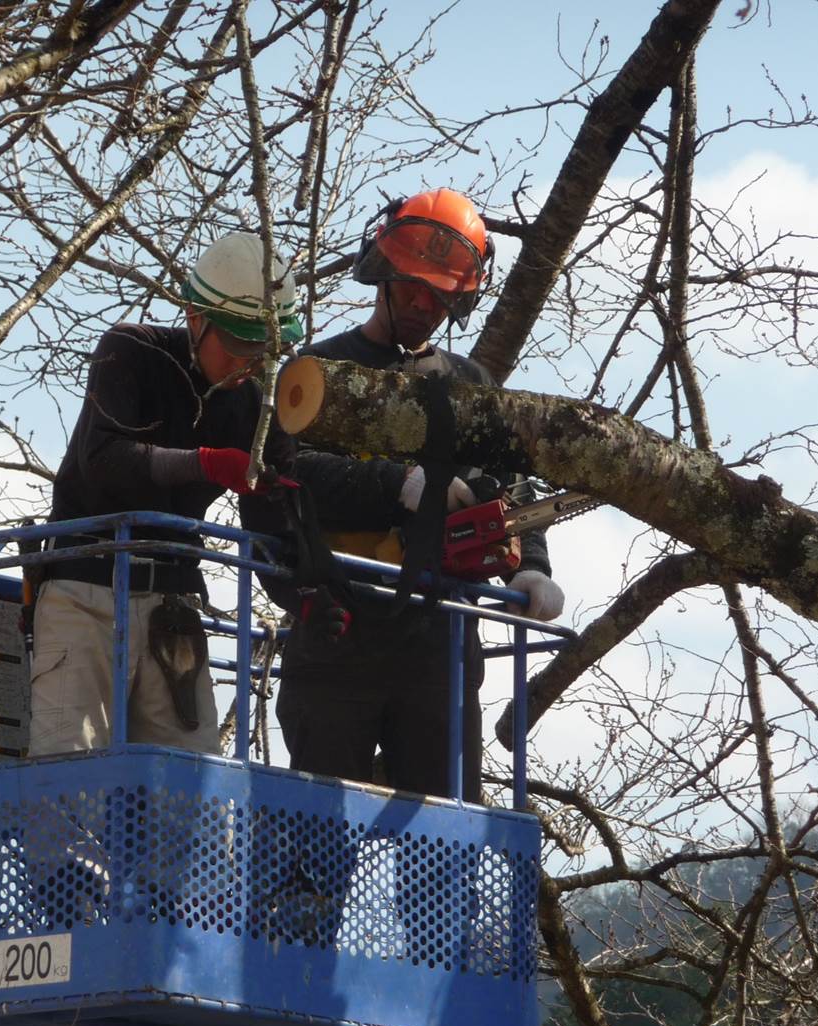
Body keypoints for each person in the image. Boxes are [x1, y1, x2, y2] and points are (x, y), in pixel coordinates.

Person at [273, 189, 565, 803]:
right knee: (312, 848)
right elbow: (289, 480)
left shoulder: (469, 385)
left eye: (439, 296)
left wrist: (531, 566)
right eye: (412, 288)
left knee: (445, 856)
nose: (422, 305)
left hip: (439, 645)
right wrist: (399, 484)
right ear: (384, 273)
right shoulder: (318, 372)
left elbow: (512, 486)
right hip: (336, 634)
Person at [29, 231, 301, 758]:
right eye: (239, 343)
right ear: (195, 318)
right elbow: (105, 459)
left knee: (192, 800)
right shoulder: (132, 351)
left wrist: (311, 594)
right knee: (71, 786)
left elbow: (271, 523)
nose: (249, 361)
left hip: (173, 608)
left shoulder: (256, 402)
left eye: (262, 348)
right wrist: (207, 463)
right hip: (86, 592)